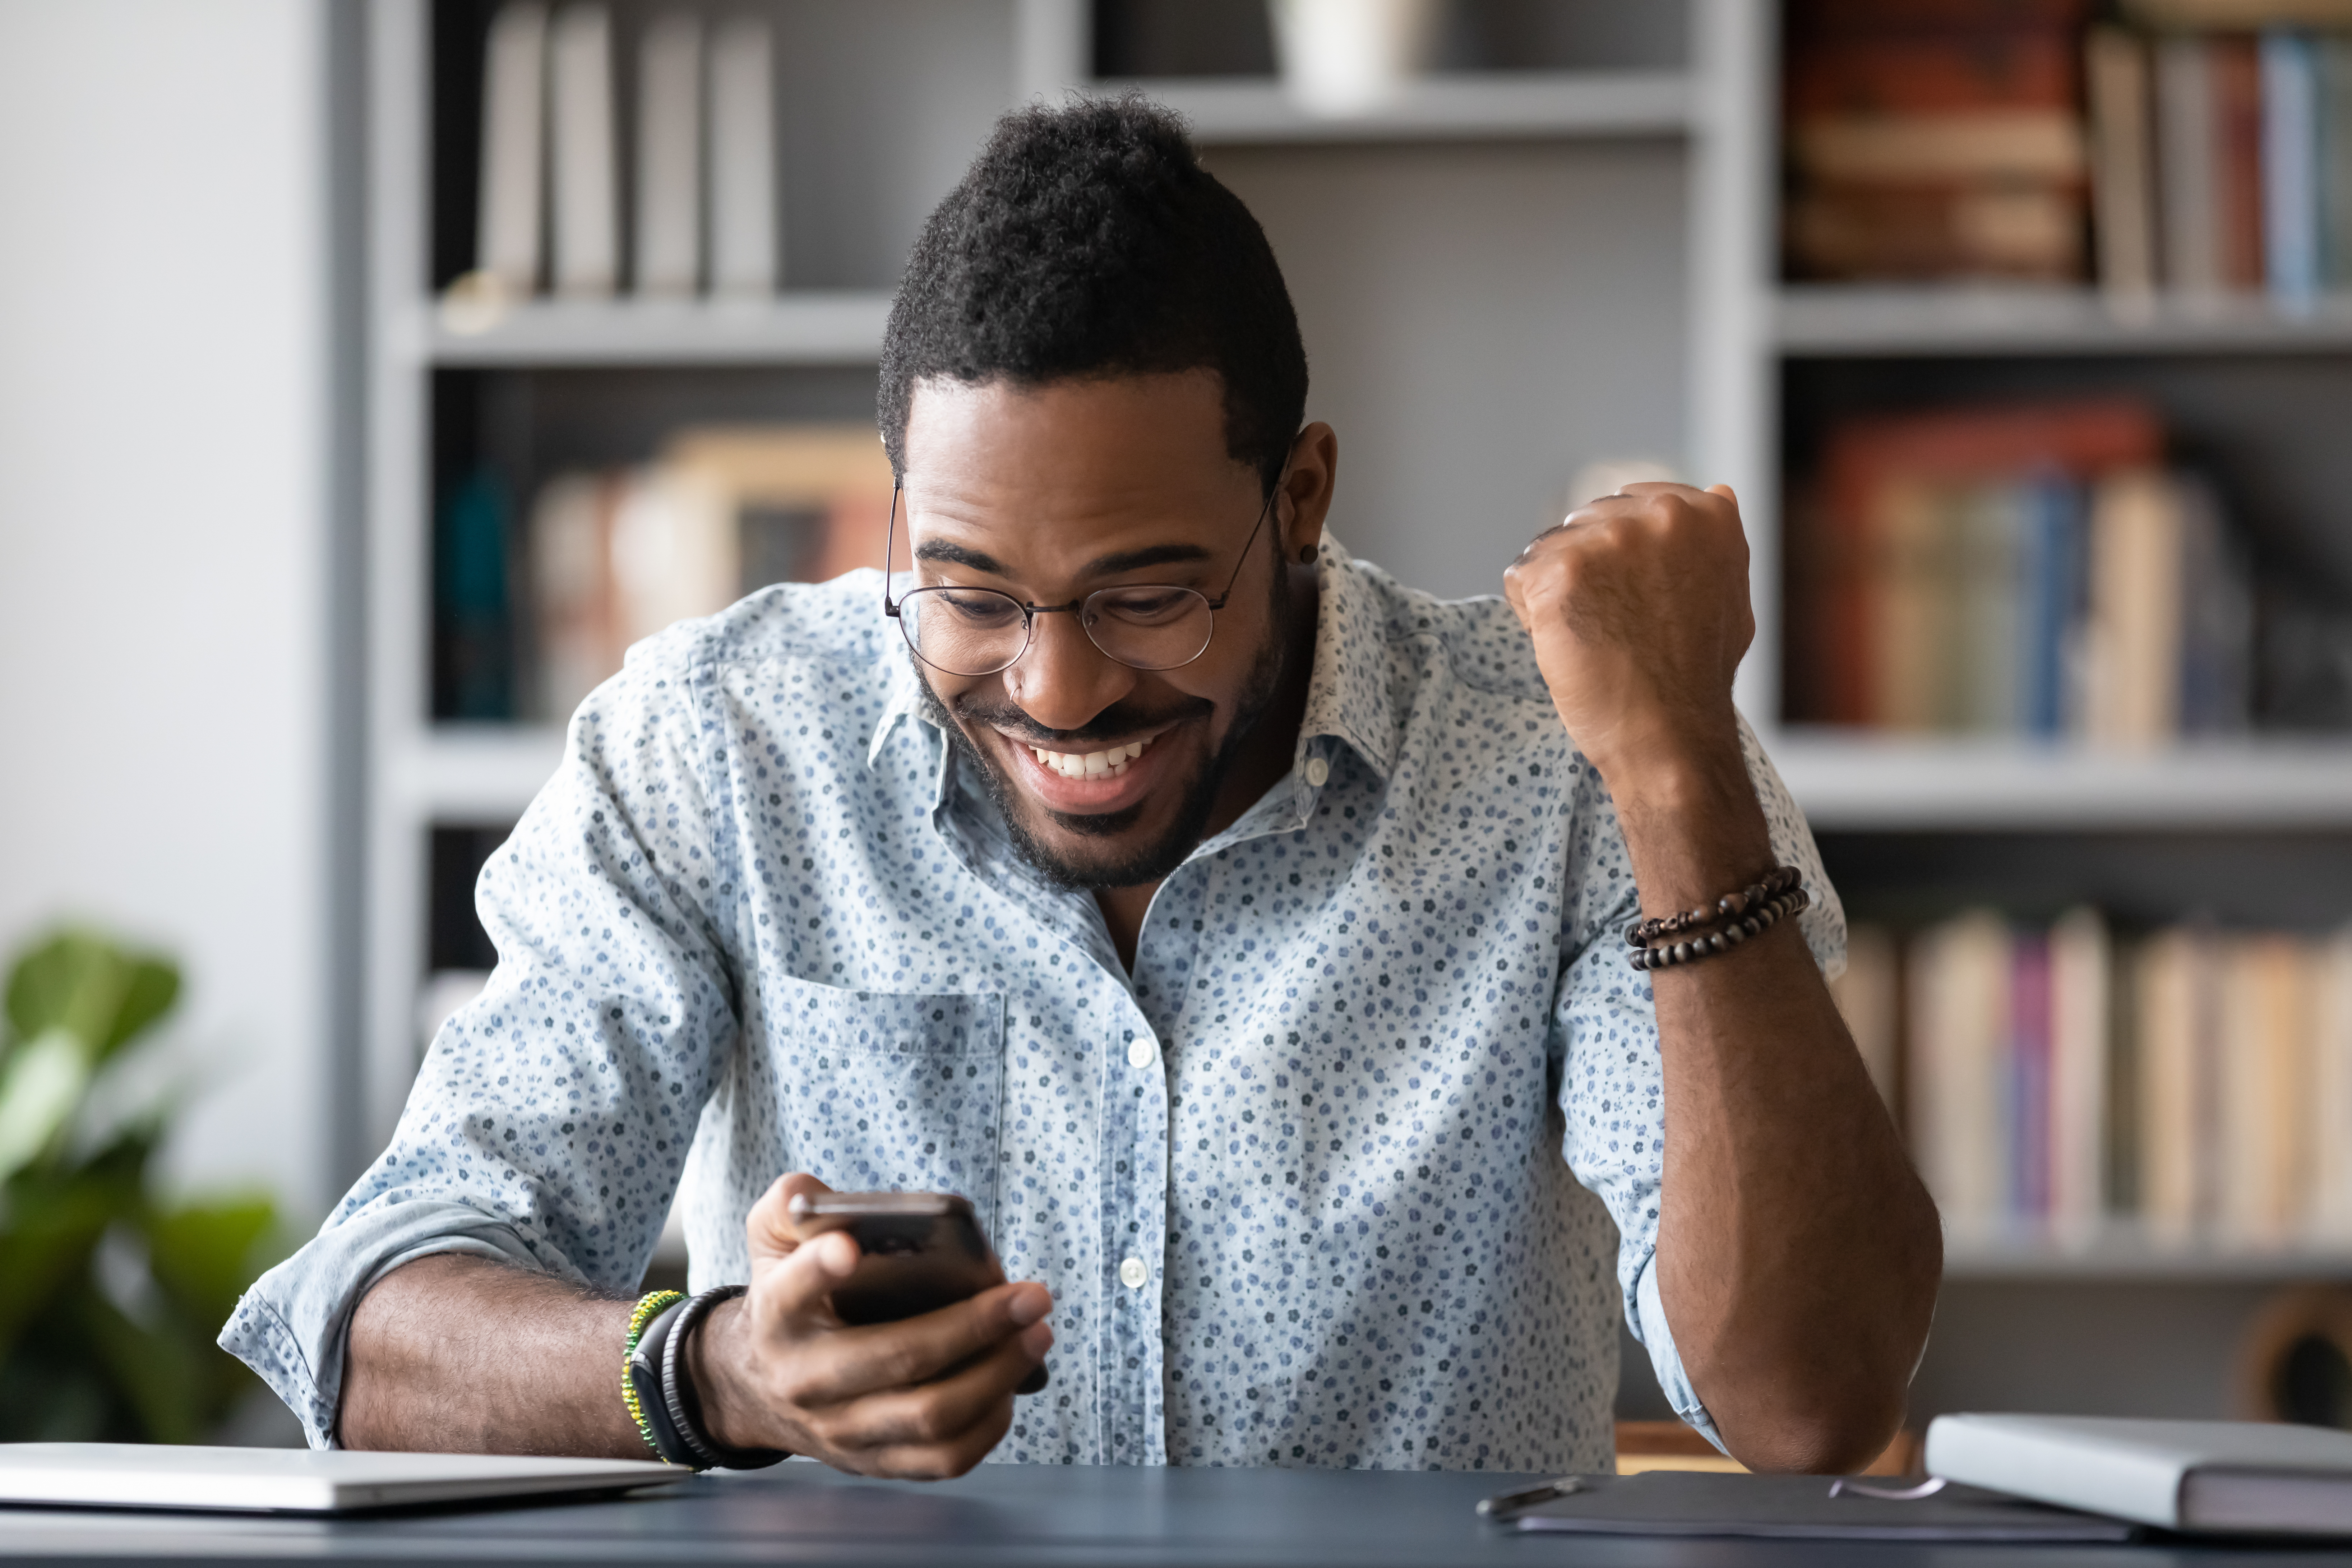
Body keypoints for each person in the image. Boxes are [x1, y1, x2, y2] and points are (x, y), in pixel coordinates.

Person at [225, 98, 1939, 1478]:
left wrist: (1670, 759)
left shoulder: (1566, 764)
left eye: (1145, 595)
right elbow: (365, 1319)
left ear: (1300, 498)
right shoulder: (721, 744)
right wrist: (725, 1369)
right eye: (968, 591)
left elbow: (1805, 1401)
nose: (1055, 689)